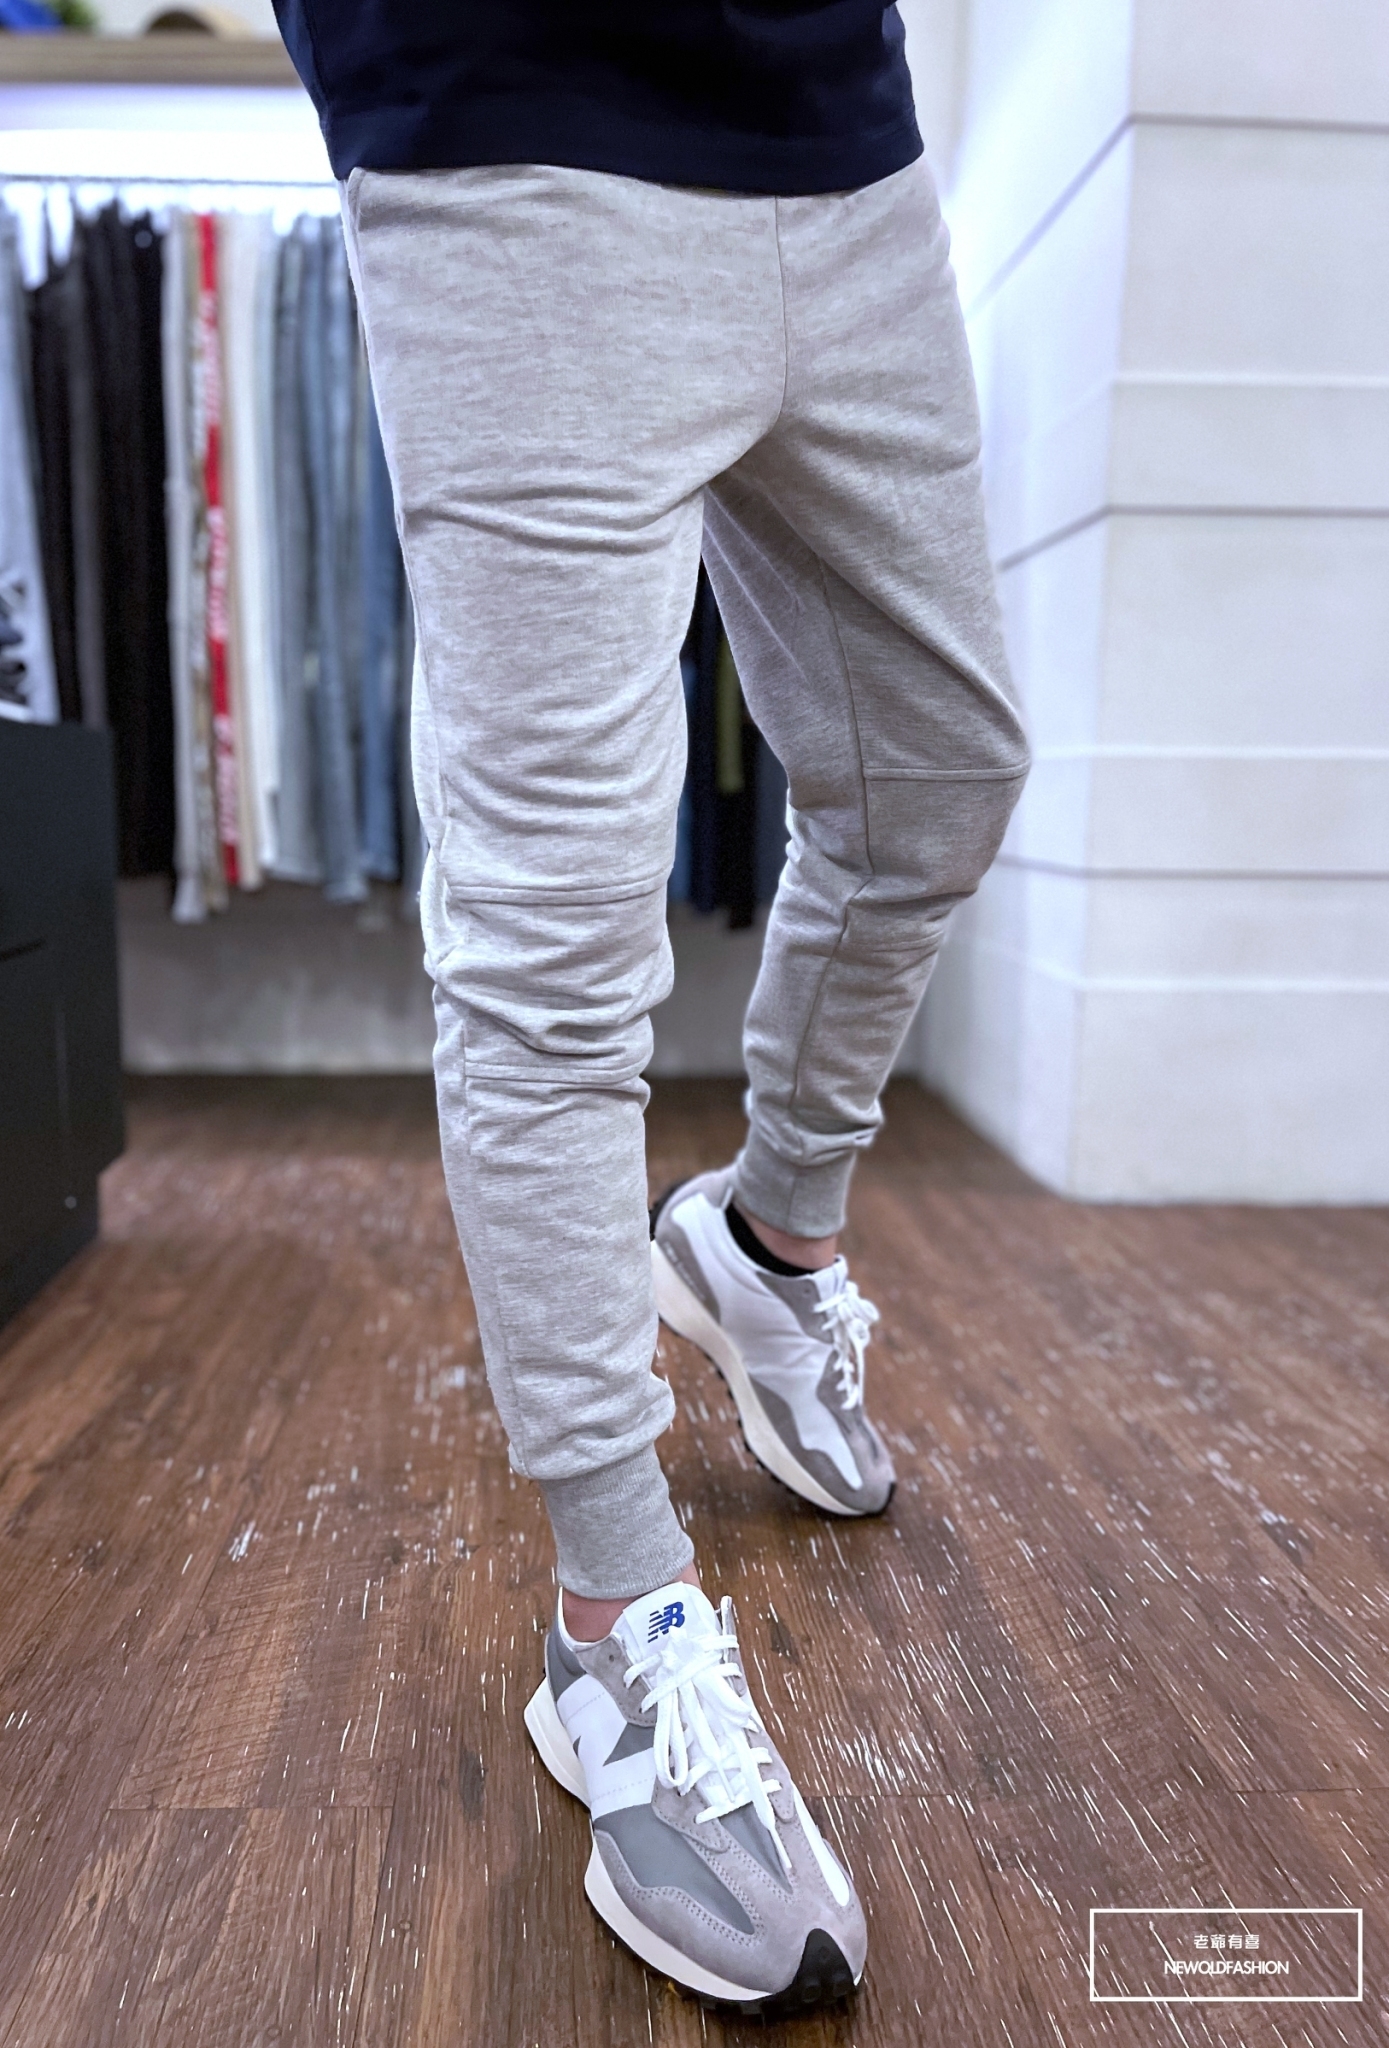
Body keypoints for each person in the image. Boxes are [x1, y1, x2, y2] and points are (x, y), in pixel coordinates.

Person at [272, 0, 1030, 2014]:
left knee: (937, 777)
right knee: (551, 936)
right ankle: (612, 1622)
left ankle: (766, 1246)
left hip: (838, 138)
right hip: (508, 120)